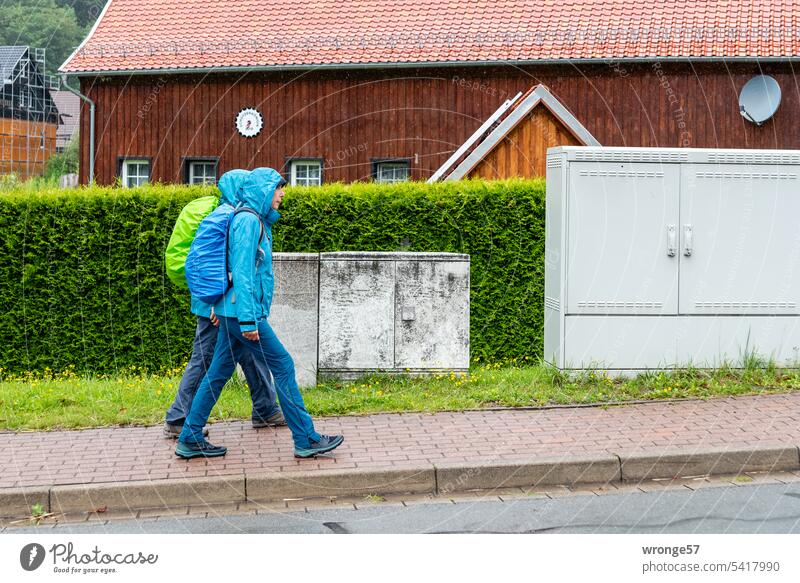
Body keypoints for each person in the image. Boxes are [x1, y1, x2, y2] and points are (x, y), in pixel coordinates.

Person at [175, 167, 343, 459]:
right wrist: (249, 319)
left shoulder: (249, 219)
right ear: (264, 190)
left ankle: (189, 436)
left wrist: (229, 309)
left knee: (218, 372)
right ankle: (305, 438)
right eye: (279, 189)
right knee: (284, 365)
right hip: (242, 313)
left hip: (232, 311)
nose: (282, 195)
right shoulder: (248, 222)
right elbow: (242, 272)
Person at [164, 170, 286, 438]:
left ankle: (265, 409)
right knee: (206, 358)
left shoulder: (232, 213)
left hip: (226, 304)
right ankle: (179, 417)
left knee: (252, 353)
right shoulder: (230, 217)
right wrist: (215, 305)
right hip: (217, 306)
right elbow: (226, 268)